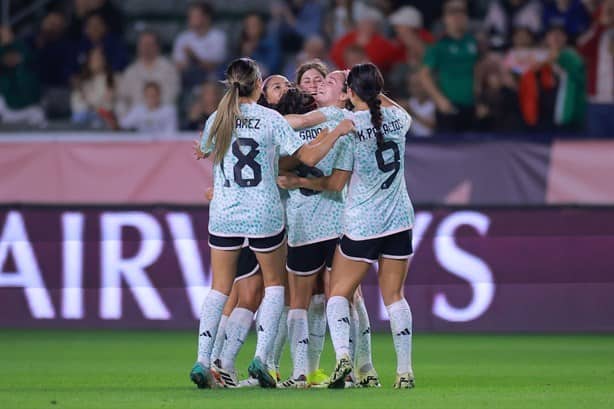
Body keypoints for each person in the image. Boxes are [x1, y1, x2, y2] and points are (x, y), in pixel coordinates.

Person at [189, 57, 353, 389]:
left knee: (220, 288)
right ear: (258, 85)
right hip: (263, 212)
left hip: (224, 214)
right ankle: (262, 359)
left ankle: (203, 360)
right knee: (275, 284)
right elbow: (305, 157)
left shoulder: (217, 119)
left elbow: (204, 151)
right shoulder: (269, 119)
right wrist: (335, 132)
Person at [276, 72, 380, 389]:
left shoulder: (334, 117)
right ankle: (362, 368)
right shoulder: (342, 121)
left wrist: (253, 115)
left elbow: (330, 179)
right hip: (326, 223)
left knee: (305, 300)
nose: (319, 83)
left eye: (328, 80)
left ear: (345, 93)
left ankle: (302, 372)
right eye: (311, 80)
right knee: (346, 299)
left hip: (322, 224)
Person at [323, 63, 415, 389]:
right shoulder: (396, 120)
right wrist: (374, 91)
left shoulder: (349, 127)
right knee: (395, 298)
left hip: (362, 223)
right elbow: (400, 111)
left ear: (349, 92)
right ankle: (404, 372)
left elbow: (338, 181)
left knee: (338, 293)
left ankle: (344, 357)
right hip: (398, 220)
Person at [420, 0, 478, 133]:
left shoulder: (473, 42)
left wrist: (479, 94)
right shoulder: (438, 45)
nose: (458, 17)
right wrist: (439, 99)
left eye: (462, 12)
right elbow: (424, 74)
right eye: (452, 13)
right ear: (445, 19)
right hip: (449, 105)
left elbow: (477, 67)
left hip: (471, 104)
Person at [116, 31, 179, 118]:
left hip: (160, 118)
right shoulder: (130, 71)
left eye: (149, 44)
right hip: (135, 120)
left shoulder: (169, 69)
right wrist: (124, 117)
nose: (146, 48)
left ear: (157, 47)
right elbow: (122, 98)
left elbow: (171, 97)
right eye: (143, 44)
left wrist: (151, 112)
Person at [329, 5, 404, 72]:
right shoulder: (346, 39)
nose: (366, 26)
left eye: (370, 23)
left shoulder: (382, 43)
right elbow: (334, 56)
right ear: (358, 24)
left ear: (376, 27)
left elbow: (397, 56)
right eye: (364, 22)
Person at [0, 26, 46, 127]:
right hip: (5, 109)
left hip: (27, 108)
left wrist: (11, 44)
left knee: (38, 115)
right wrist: (3, 45)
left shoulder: (23, 50)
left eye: (7, 34)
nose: (5, 37)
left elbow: (29, 57)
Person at [172, 3, 227, 87]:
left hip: (213, 80)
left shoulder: (219, 37)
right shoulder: (182, 38)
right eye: (190, 16)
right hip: (188, 79)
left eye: (195, 16)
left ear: (206, 18)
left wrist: (194, 58)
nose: (190, 19)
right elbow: (178, 65)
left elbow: (215, 65)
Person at [70, 47, 116, 127]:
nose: (95, 61)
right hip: (85, 120)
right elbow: (76, 104)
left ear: (104, 60)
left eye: (98, 58)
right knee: (78, 117)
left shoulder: (112, 80)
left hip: (104, 121)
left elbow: (108, 105)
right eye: (93, 58)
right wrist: (91, 106)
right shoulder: (83, 83)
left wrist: (88, 102)